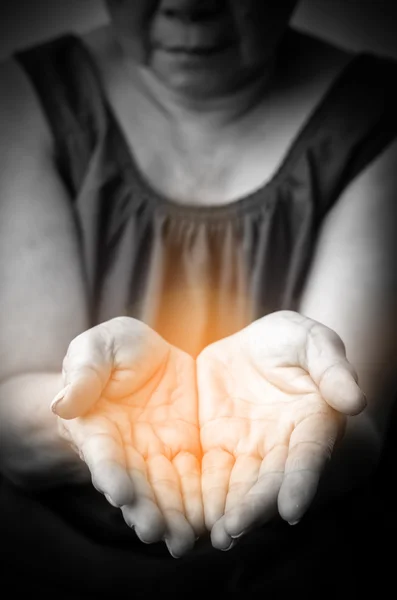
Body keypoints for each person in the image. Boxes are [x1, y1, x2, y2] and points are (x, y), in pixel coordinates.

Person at [0, 0, 396, 596]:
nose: (188, 5)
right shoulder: (24, 98)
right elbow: (9, 424)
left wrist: (317, 422)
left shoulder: (375, 113)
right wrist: (91, 417)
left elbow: (358, 430)